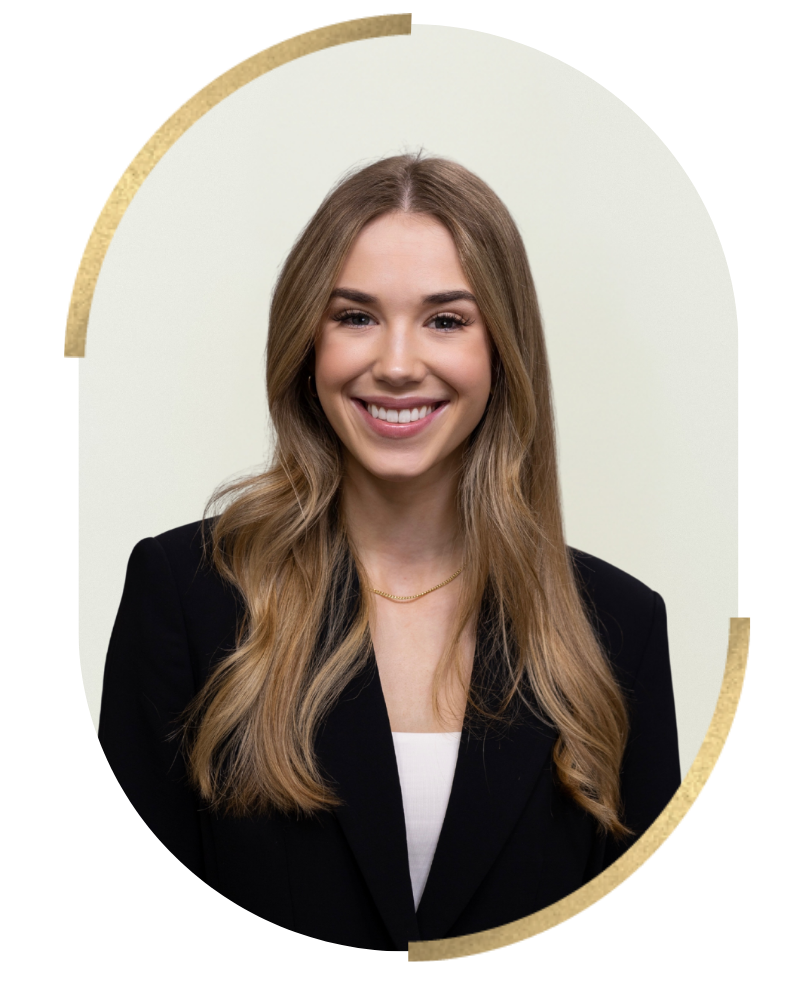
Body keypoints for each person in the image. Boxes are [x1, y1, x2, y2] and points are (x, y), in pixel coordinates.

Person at [98, 152, 682, 952]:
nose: (399, 364)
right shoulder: (187, 596)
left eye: (446, 319)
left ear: (501, 351)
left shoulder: (619, 627)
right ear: (308, 342)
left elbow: (646, 951)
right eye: (356, 316)